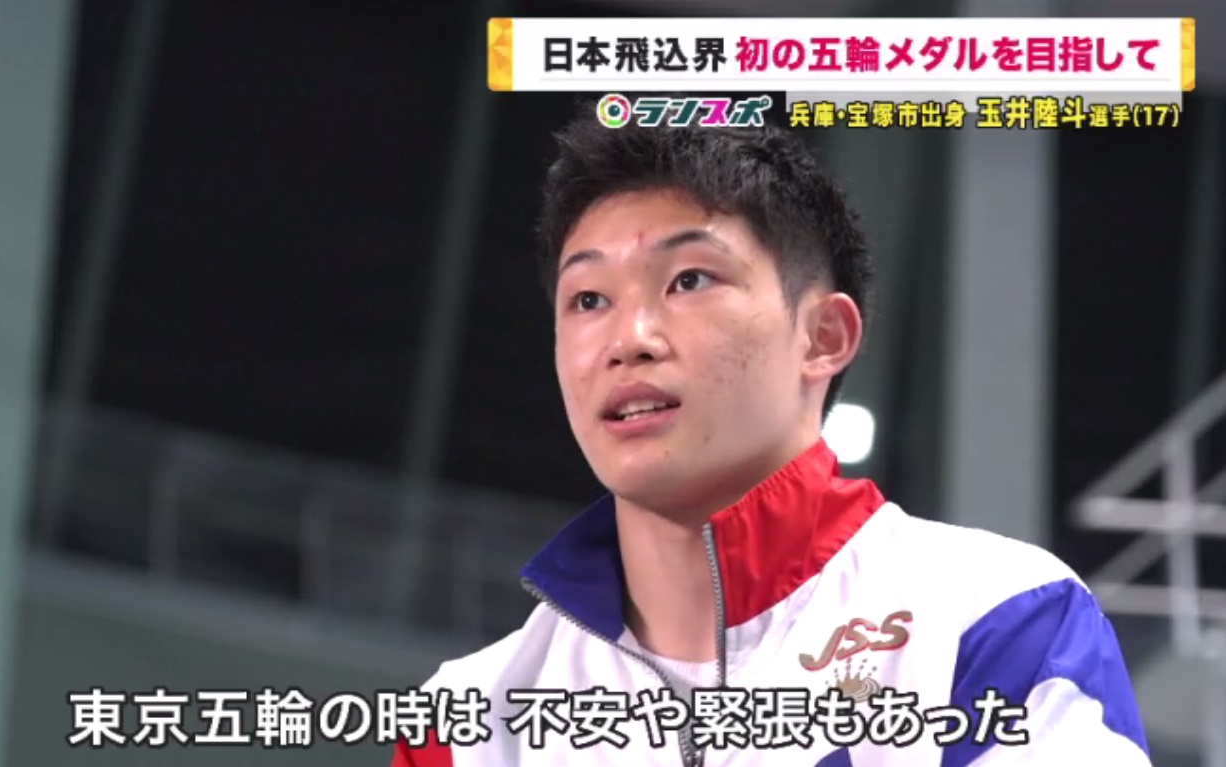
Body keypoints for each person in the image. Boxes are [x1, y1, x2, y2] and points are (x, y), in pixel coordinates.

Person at [391, 101, 1149, 766]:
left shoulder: (993, 614)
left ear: (822, 336)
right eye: (588, 298)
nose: (630, 338)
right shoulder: (470, 720)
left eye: (689, 280)